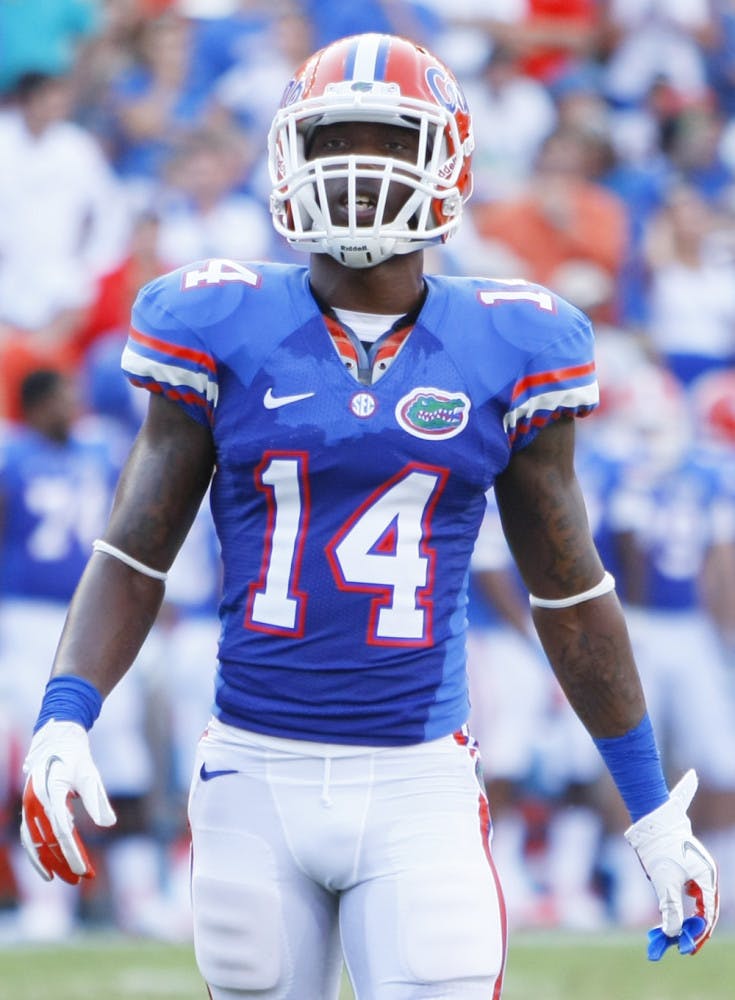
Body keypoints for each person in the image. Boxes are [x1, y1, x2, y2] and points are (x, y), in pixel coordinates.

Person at [18, 32, 718, 998]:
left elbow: (568, 590)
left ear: (447, 160)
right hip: (249, 780)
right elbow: (135, 554)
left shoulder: (513, 338)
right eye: (330, 140)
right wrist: (63, 718)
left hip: (418, 783)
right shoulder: (215, 319)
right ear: (285, 159)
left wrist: (648, 808)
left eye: (386, 142)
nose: (355, 168)